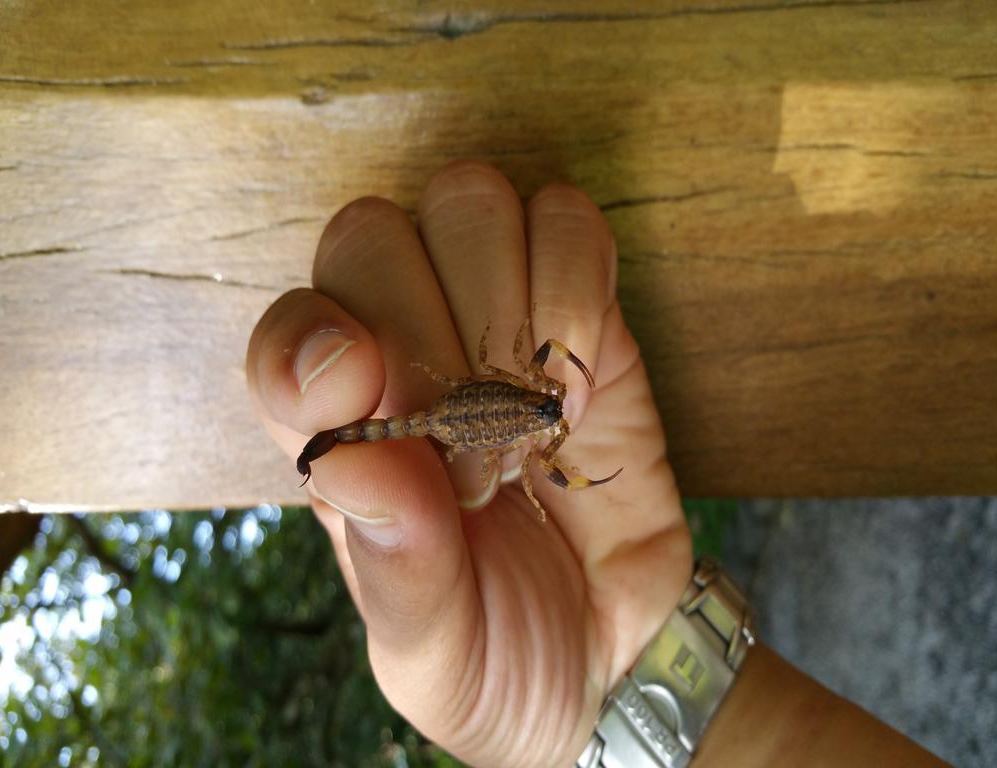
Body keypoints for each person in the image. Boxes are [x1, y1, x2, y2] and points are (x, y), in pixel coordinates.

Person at [246, 161, 945, 767]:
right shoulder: (544, 414)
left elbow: (527, 385)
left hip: (466, 422)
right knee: (440, 405)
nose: (560, 406)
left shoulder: (539, 427)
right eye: (559, 399)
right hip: (460, 414)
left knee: (444, 411)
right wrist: (565, 373)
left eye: (559, 402)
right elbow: (522, 366)